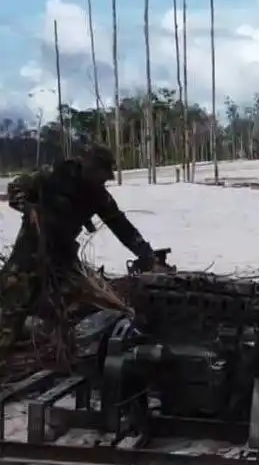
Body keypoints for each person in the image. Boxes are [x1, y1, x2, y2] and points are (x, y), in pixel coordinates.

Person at [0, 144, 159, 350]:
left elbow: (121, 225)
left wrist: (145, 253)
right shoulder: (54, 175)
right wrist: (28, 207)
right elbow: (16, 187)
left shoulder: (98, 195)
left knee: (76, 306)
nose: (104, 181)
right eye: (102, 176)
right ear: (89, 168)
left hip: (62, 256)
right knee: (12, 303)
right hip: (30, 250)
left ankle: (53, 341)